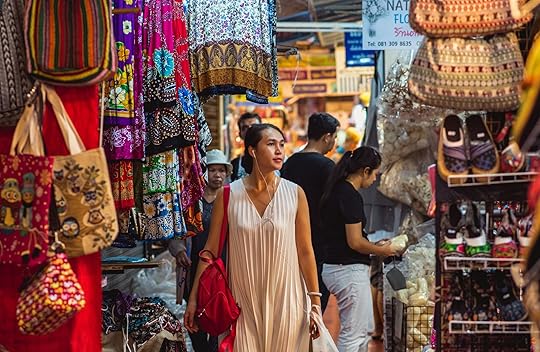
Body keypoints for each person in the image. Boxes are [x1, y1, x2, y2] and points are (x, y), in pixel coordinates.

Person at [185, 124, 321, 351]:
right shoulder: (228, 194)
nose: (279, 150)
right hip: (242, 303)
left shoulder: (295, 193)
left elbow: (306, 251)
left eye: (281, 144)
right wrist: (193, 299)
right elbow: (210, 251)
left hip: (288, 300)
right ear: (252, 150)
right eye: (270, 144)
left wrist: (315, 303)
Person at [320, 146, 397, 352]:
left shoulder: (338, 190)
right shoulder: (349, 195)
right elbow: (354, 242)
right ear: (365, 171)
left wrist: (373, 245)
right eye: (375, 174)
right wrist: (383, 250)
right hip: (346, 269)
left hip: (338, 267)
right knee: (353, 335)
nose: (374, 180)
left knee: (359, 332)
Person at [169, 149, 232, 352]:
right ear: (203, 172)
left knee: (217, 318)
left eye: (221, 170)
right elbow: (176, 234)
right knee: (195, 319)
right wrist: (179, 251)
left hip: (222, 272)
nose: (217, 175)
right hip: (194, 270)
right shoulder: (192, 203)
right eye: (212, 170)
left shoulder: (232, 201)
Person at [281, 112, 340, 312]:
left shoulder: (289, 163)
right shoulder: (327, 166)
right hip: (318, 244)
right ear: (327, 137)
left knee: (295, 298)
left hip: (290, 239)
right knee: (316, 300)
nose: (334, 142)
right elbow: (334, 207)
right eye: (334, 137)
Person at [230, 112, 262, 181]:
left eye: (254, 126)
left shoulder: (276, 160)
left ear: (263, 131)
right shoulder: (234, 165)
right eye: (245, 128)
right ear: (240, 134)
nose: (250, 130)